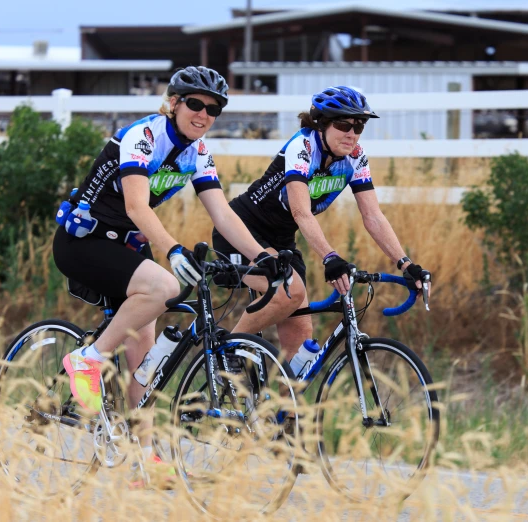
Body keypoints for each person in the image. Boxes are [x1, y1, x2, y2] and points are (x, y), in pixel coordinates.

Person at [52, 66, 280, 465]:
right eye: (195, 104)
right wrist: (174, 249)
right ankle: (87, 360)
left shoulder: (198, 152)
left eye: (214, 109)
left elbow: (223, 215)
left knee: (145, 357)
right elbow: (135, 205)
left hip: (124, 245)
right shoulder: (144, 136)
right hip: (83, 241)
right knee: (164, 288)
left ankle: (143, 457)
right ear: (173, 103)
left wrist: (262, 256)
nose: (204, 114)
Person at [212, 85, 431, 365]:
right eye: (343, 124)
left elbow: (373, 216)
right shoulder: (303, 147)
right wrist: (330, 257)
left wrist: (405, 264)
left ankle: (280, 409)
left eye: (359, 126)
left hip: (281, 240)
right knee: (287, 291)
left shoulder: (355, 158)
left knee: (301, 346)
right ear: (322, 124)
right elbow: (301, 212)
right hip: (241, 230)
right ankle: (226, 353)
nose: (352, 133)